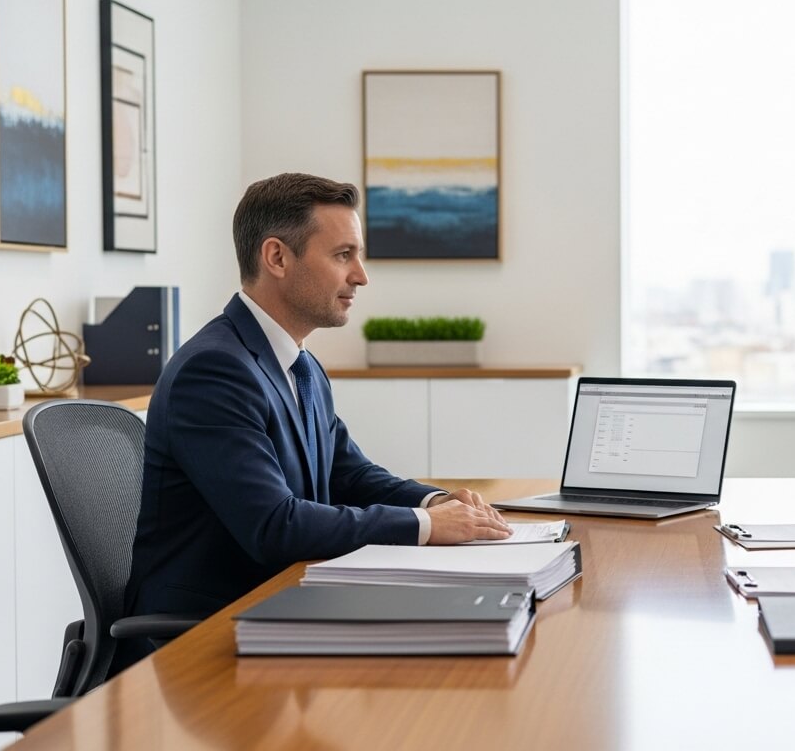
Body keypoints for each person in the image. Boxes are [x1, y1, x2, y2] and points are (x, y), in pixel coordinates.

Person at [123, 173, 512, 633]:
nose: (360, 276)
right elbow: (275, 525)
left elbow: (349, 474)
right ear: (277, 257)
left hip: (286, 605)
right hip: (205, 635)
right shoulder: (212, 371)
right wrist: (425, 526)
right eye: (343, 255)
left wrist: (439, 501)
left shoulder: (300, 365)